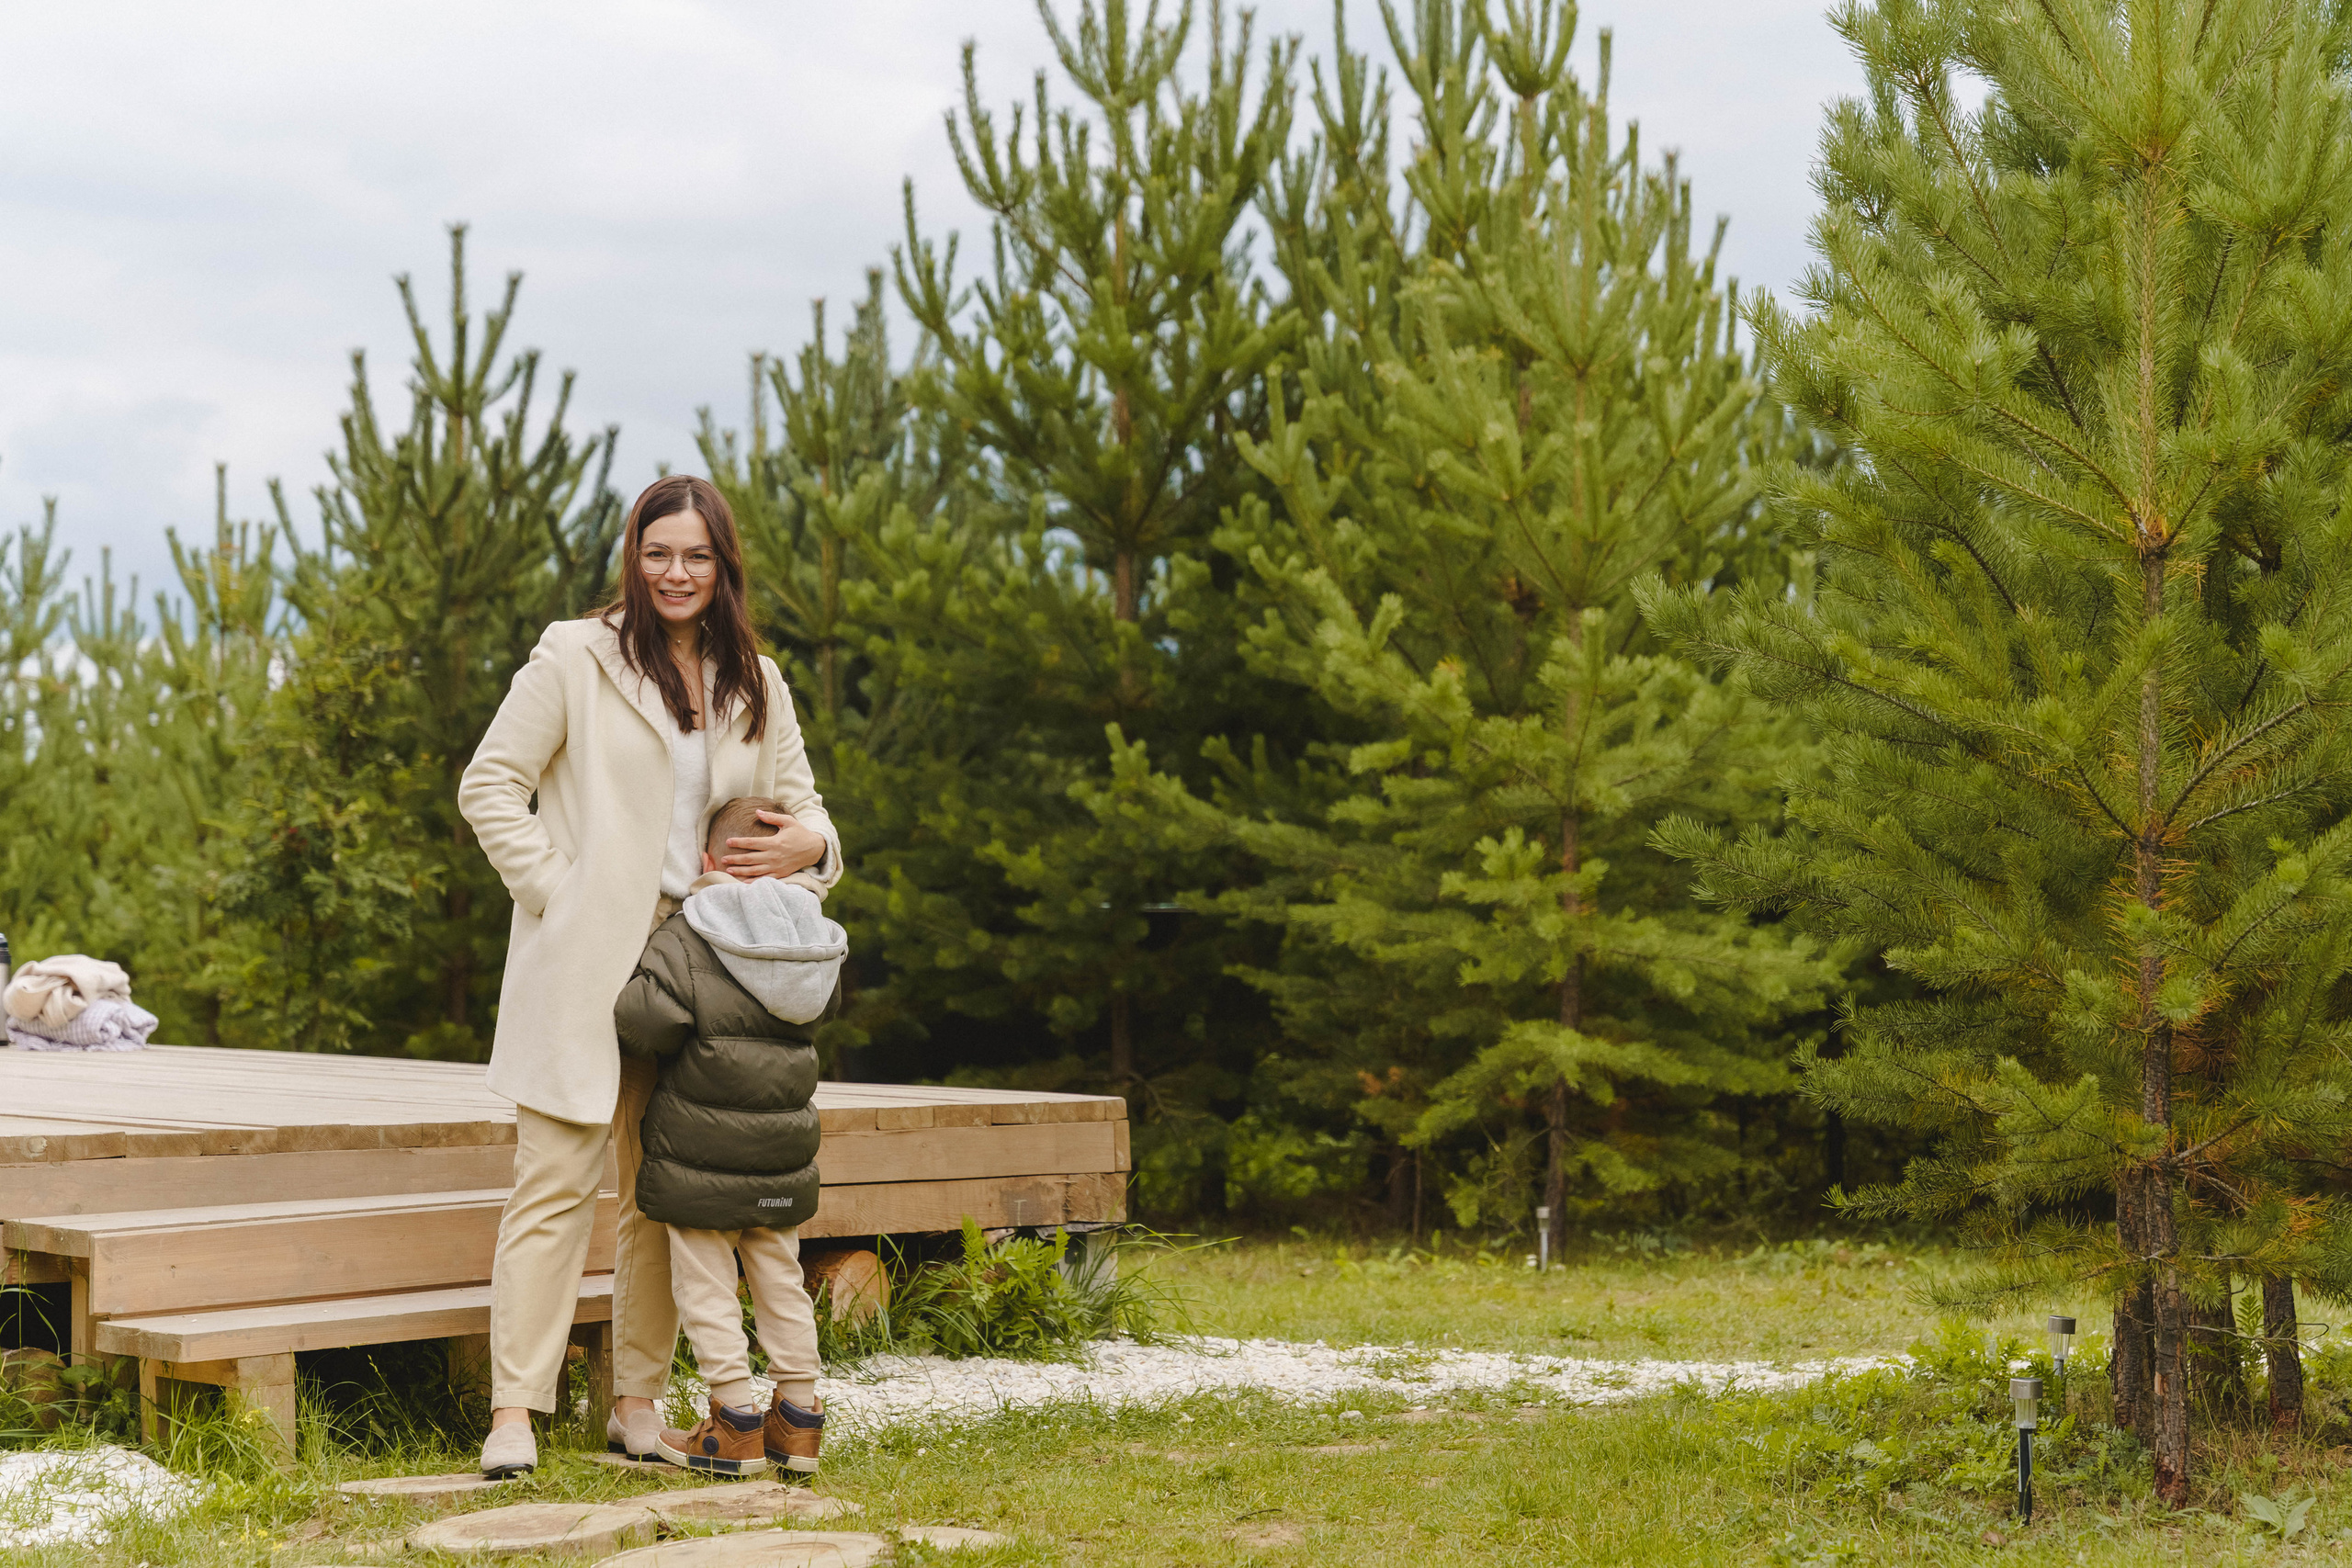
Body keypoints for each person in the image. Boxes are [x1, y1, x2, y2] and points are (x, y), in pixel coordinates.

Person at [458, 475, 841, 1479]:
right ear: (635, 557)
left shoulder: (754, 676)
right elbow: (489, 784)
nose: (677, 573)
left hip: (706, 972)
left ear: (724, 568)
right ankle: (515, 1415)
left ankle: (636, 1407)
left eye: (697, 557)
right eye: (659, 553)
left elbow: (806, 810)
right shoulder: (574, 655)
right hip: (586, 956)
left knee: (663, 1195)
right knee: (552, 1183)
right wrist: (557, 890)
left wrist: (809, 844)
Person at [615, 795, 846, 1475]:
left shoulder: (691, 932)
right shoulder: (812, 938)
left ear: (708, 860)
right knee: (780, 1277)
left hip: (701, 1157)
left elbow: (645, 1021)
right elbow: (825, 1006)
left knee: (708, 1284)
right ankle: (799, 1420)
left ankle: (734, 1421)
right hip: (781, 1159)